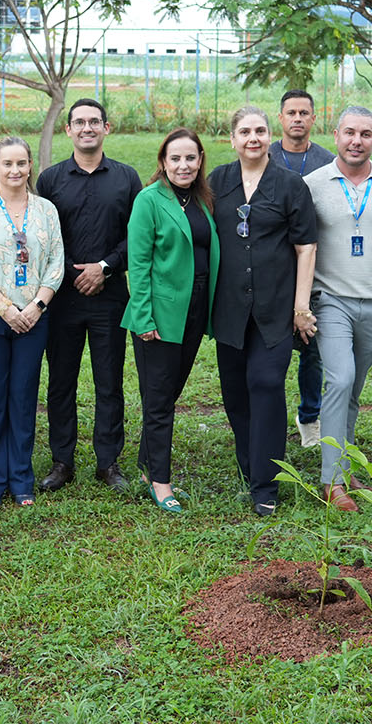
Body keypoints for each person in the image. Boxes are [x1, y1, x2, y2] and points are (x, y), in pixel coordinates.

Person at [303, 108, 372, 511]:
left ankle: (344, 463)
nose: (356, 141)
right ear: (335, 134)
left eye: (365, 134)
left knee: (352, 390)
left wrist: (368, 269)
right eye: (349, 132)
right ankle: (332, 482)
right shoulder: (312, 185)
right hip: (330, 300)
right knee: (340, 380)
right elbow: (301, 245)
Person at [210, 108, 317, 517]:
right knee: (235, 393)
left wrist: (301, 306)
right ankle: (249, 466)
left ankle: (266, 484)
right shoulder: (217, 182)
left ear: (269, 135)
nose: (252, 138)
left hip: (275, 308)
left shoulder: (290, 185)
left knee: (267, 383)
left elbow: (306, 247)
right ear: (232, 139)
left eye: (259, 130)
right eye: (244, 132)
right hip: (229, 307)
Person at [36, 98, 141, 494]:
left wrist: (105, 267)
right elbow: (44, 236)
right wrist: (73, 272)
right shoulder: (50, 180)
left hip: (110, 296)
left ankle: (107, 462)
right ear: (68, 130)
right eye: (79, 122)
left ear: (106, 128)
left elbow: (137, 234)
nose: (87, 128)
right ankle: (62, 461)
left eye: (94, 121)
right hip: (61, 297)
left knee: (108, 381)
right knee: (61, 381)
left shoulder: (127, 178)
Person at [0, 136, 64, 508]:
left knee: (23, 399)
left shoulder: (46, 210)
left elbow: (55, 264)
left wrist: (36, 306)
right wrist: (5, 309)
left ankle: (21, 479)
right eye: (7, 163)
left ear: (30, 166)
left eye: (21, 163)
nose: (15, 170)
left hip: (34, 318)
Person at [123, 128, 219, 514]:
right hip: (159, 314)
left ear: (200, 160)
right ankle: (161, 482)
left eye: (190, 158)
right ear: (163, 162)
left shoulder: (202, 199)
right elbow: (138, 264)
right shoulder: (149, 200)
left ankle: (147, 466)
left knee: (168, 393)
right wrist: (144, 317)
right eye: (175, 158)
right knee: (160, 399)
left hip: (194, 310)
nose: (183, 165)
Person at [270, 89, 335, 448]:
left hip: (316, 270)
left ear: (313, 118)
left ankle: (310, 416)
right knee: (271, 352)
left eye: (304, 113)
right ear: (280, 118)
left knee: (313, 351)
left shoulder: (328, 162)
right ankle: (268, 418)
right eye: (291, 112)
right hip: (272, 271)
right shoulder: (264, 157)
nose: (297, 118)